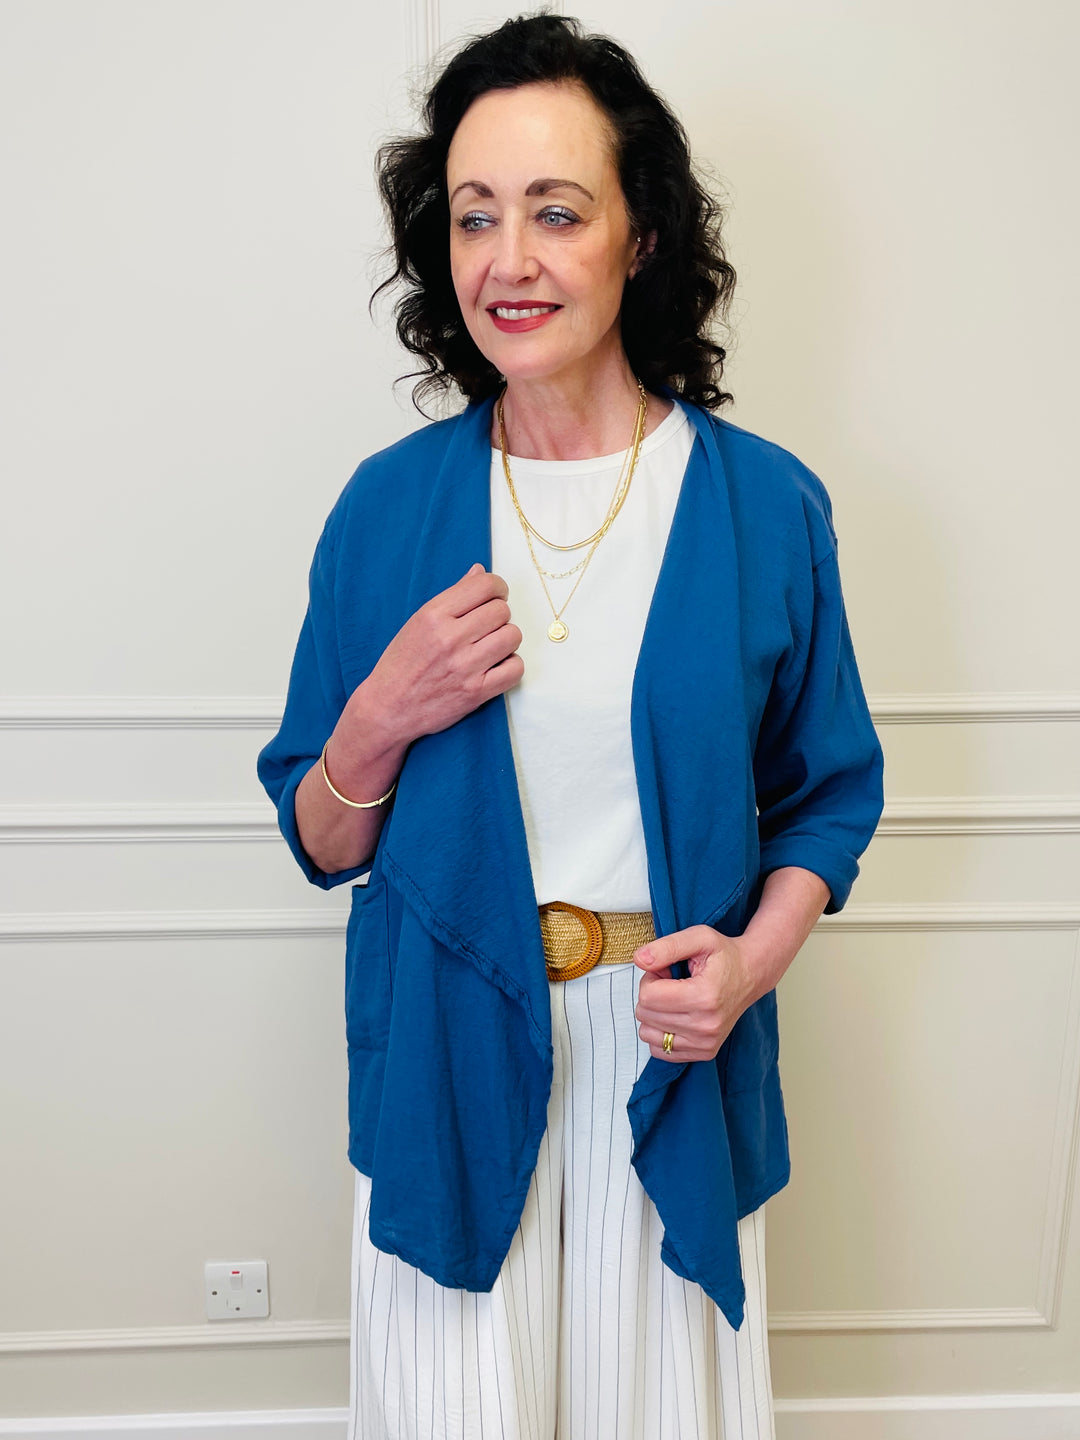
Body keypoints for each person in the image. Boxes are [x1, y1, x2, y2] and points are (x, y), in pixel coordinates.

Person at [258, 13, 884, 1439]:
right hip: (445, 1059)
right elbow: (322, 836)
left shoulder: (763, 505)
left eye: (557, 211)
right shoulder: (386, 510)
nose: (509, 259)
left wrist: (746, 970)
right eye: (474, 216)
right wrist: (380, 714)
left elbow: (829, 797)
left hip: (673, 1055)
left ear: (640, 236)